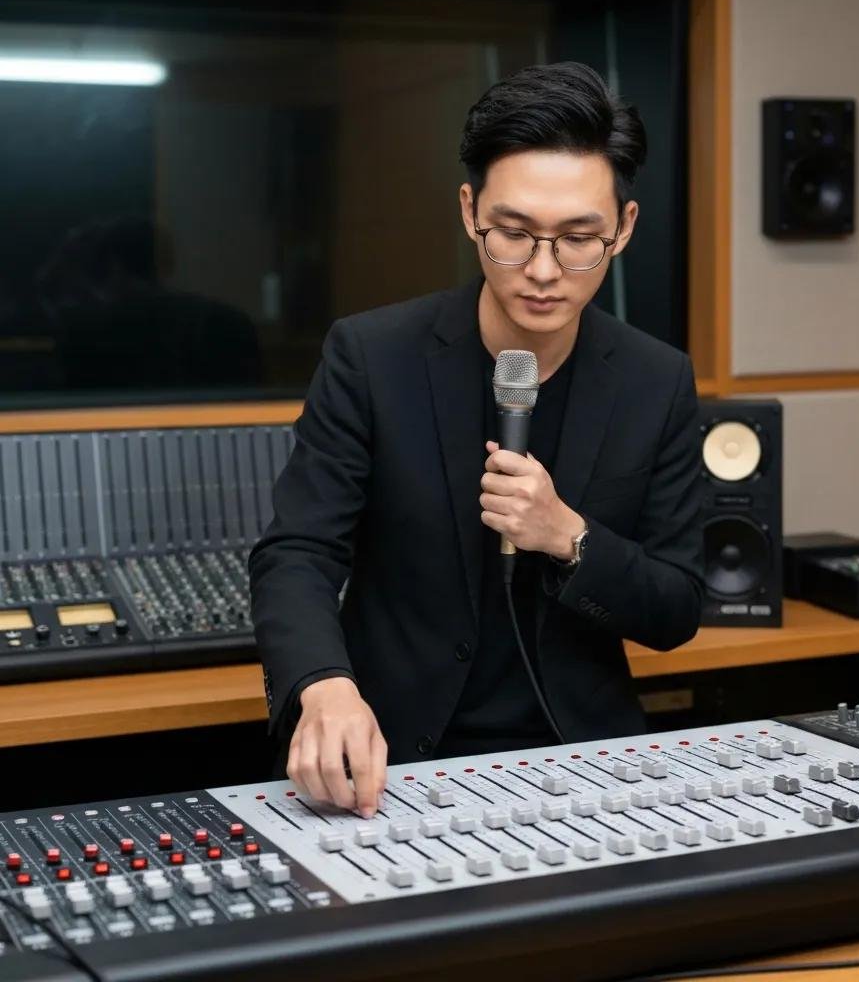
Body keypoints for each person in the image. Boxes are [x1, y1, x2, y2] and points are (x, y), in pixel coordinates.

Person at [249, 61, 705, 819]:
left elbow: (676, 607)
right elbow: (296, 552)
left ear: (623, 227)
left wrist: (570, 537)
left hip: (580, 761)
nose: (542, 272)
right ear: (470, 212)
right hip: (388, 755)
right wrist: (322, 686)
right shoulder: (372, 355)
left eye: (578, 239)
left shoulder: (657, 381)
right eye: (514, 235)